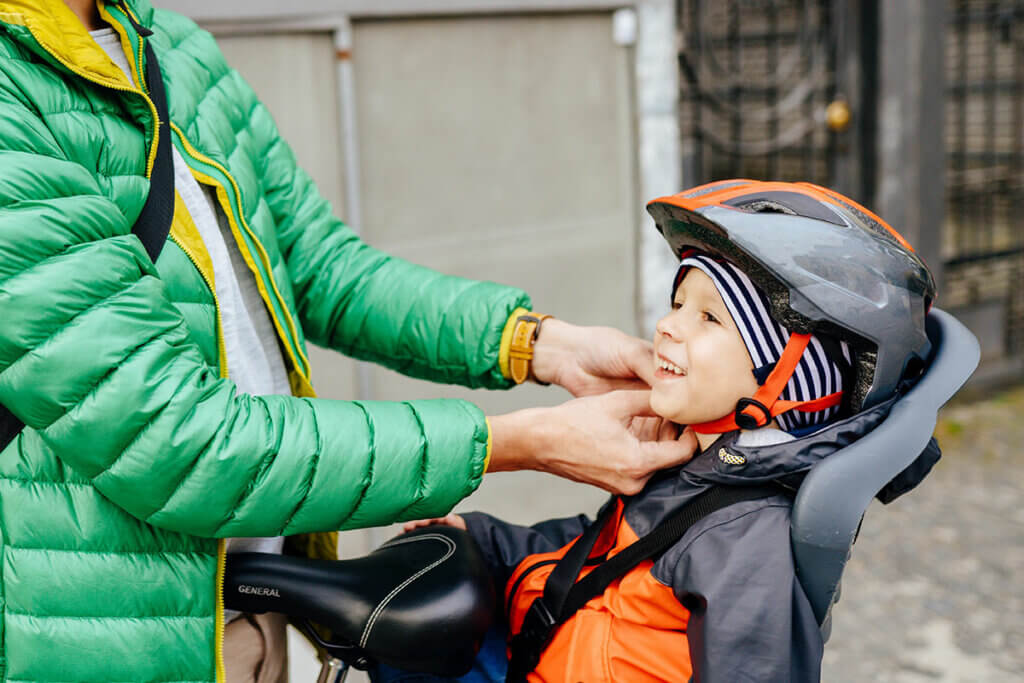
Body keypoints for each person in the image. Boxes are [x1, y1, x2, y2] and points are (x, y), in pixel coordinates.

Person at [0, 1, 697, 681]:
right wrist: (518, 441)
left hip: (255, 612)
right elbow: (181, 438)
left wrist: (540, 344)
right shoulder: (12, 96)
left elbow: (323, 268)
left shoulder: (174, 48)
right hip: (112, 639)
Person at [392, 180, 936, 682]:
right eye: (678, 304)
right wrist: (483, 536)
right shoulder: (687, 467)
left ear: (791, 376)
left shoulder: (745, 544)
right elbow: (588, 563)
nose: (666, 325)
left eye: (709, 318)